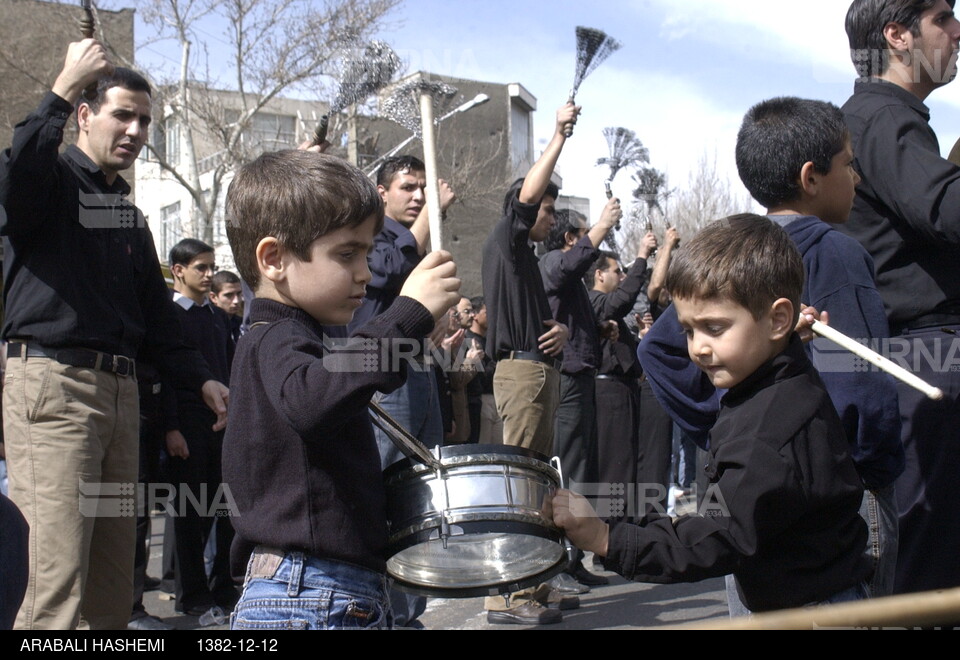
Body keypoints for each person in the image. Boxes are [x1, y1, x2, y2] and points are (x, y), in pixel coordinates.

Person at [639, 97, 905, 603]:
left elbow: (657, 351)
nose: (858, 180)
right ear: (811, 177)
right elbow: (864, 392)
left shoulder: (736, 258)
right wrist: (868, 468)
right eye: (849, 165)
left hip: (750, 507)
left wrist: (730, 433)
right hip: (842, 507)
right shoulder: (836, 254)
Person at [0, 39, 228, 630]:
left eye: (145, 120)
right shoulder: (45, 182)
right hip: (55, 389)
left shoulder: (125, 212)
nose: (135, 129)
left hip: (124, 400)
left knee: (109, 583)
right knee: (53, 579)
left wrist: (202, 378)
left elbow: (157, 317)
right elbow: (18, 167)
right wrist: (62, 82)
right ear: (83, 114)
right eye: (121, 114)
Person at [552, 215, 871, 613]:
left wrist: (605, 538)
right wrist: (783, 335)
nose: (698, 348)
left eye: (714, 328)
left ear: (777, 318)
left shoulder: (768, 431)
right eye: (688, 330)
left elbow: (715, 536)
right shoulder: (771, 380)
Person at [222, 150, 460, 630]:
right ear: (274, 259)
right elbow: (314, 397)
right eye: (346, 254)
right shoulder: (275, 338)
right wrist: (406, 313)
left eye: (368, 254)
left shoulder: (298, 342)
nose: (365, 273)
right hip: (306, 594)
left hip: (326, 589)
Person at [838, 0, 960, 595]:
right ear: (898, 36)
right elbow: (947, 208)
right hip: (922, 358)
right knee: (930, 563)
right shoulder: (885, 120)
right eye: (944, 17)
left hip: (913, 357)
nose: (957, 31)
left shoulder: (881, 119)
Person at [480, 102, 576, 625]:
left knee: (538, 482)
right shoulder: (507, 238)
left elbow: (539, 322)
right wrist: (558, 136)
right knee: (518, 484)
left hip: (536, 371)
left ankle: (535, 582)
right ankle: (505, 591)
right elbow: (526, 198)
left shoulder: (526, 262)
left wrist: (558, 331)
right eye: (545, 209)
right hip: (522, 375)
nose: (551, 217)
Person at [539, 205, 620, 588]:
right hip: (567, 380)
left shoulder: (574, 283)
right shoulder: (554, 261)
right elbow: (565, 269)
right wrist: (603, 225)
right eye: (585, 234)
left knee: (583, 467)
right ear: (571, 238)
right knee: (568, 470)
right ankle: (559, 563)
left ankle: (575, 559)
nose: (593, 242)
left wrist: (599, 328)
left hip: (582, 377)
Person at [164, 239, 238, 619]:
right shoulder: (168, 316)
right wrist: (171, 428)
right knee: (191, 515)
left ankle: (224, 587)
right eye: (201, 268)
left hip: (223, 424)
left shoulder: (217, 317)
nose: (209, 275)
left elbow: (227, 369)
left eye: (212, 267)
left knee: (227, 510)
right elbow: (166, 375)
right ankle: (192, 595)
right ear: (178, 270)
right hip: (188, 426)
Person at [587, 234, 656, 515]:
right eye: (617, 271)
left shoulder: (610, 313)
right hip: (608, 394)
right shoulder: (595, 302)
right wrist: (641, 255)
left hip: (623, 392)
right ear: (599, 275)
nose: (622, 276)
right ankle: (610, 536)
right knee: (614, 469)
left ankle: (621, 531)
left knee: (626, 465)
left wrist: (640, 338)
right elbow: (625, 298)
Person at [210, 270, 245, 343]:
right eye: (229, 295)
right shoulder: (209, 325)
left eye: (239, 294)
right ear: (213, 297)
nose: (236, 301)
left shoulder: (243, 324)